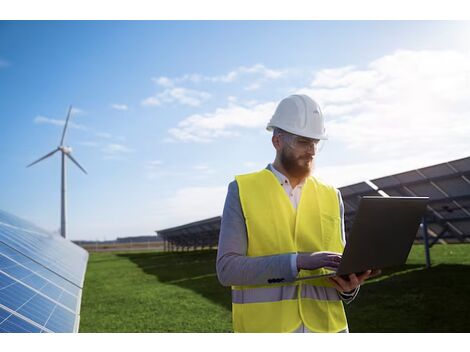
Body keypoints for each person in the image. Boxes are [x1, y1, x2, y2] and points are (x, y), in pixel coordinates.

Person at [216, 94, 375, 333]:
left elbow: (339, 267)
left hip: (328, 330)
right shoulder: (242, 190)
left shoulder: (331, 194)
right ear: (277, 141)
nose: (311, 150)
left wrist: (350, 286)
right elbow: (227, 269)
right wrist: (297, 261)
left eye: (315, 142)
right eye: (303, 141)